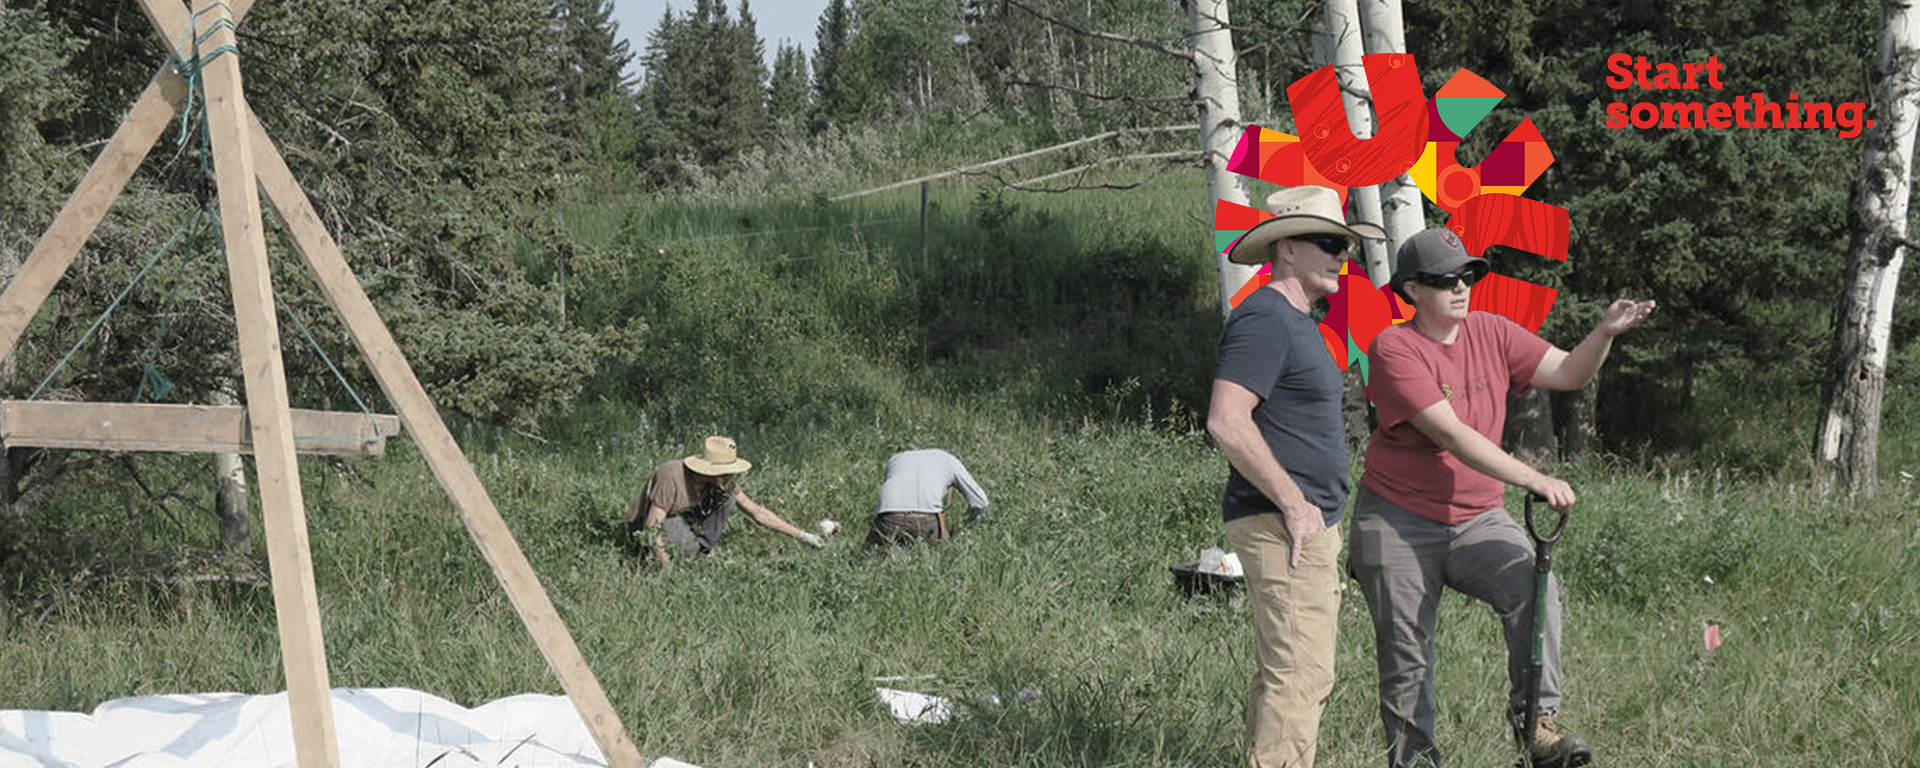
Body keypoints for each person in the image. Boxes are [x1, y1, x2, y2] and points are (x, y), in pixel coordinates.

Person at [1350, 227, 1655, 768]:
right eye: (1446, 280)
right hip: (1398, 519)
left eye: (1468, 275)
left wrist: (1604, 332)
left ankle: (1535, 727)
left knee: (1533, 588)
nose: (1461, 287)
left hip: (1477, 518)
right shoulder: (1394, 346)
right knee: (1407, 656)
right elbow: (1452, 435)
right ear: (1414, 289)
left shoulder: (1491, 331)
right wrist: (1533, 478)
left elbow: (1567, 372)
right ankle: (1416, 761)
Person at [1207, 185, 1386, 768]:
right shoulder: (1265, 318)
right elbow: (1227, 421)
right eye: (1329, 243)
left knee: (1288, 674)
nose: (1342, 255)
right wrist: (1295, 504)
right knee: (1301, 675)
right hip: (1286, 524)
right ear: (1285, 248)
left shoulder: (1298, 321)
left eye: (1346, 245)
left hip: (1307, 525)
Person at [624, 435, 824, 565]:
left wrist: (802, 535)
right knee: (683, 548)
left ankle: (698, 552)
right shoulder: (671, 476)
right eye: (726, 471)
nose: (730, 475)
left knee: (728, 498)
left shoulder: (720, 481)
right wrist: (666, 569)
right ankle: (687, 557)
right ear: (709, 470)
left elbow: (757, 512)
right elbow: (652, 526)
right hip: (643, 524)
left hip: (678, 517)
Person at [864, 448, 990, 549]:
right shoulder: (949, 460)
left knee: (868, 563)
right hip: (928, 520)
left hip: (888, 517)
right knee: (934, 564)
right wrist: (962, 529)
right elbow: (980, 502)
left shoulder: (895, 459)